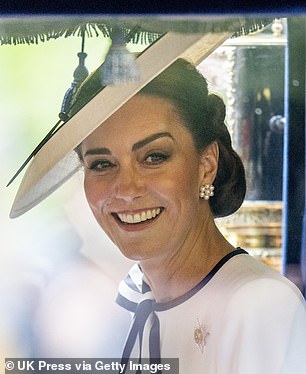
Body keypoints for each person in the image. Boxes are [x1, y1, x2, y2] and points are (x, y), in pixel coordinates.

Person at [10, 53, 306, 371]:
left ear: (206, 166)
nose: (126, 188)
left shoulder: (259, 305)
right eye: (101, 164)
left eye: (154, 157)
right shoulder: (135, 299)